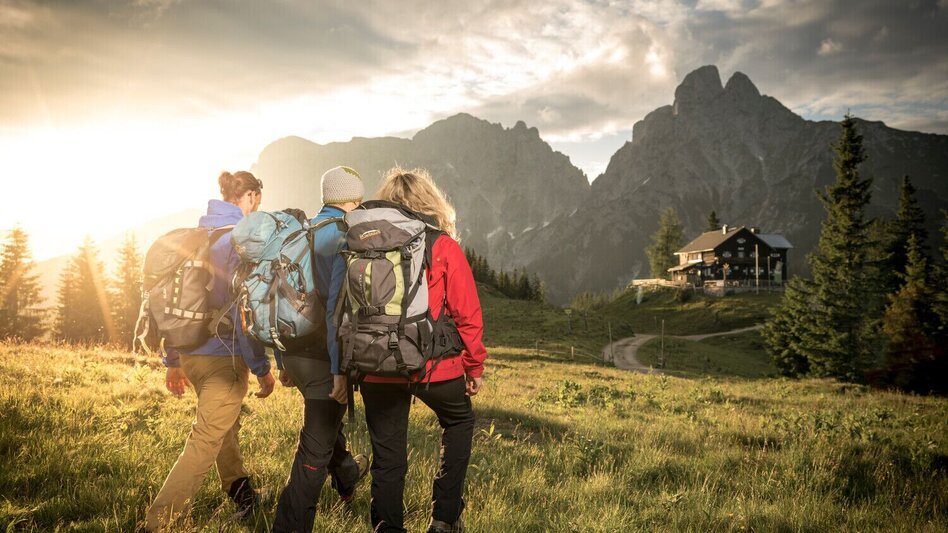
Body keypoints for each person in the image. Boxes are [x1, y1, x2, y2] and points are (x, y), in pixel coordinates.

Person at [145, 171, 276, 532]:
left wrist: (173, 361)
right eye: (256, 202)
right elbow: (243, 312)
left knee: (222, 426)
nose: (255, 210)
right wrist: (262, 367)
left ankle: (240, 490)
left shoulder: (195, 237)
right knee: (206, 436)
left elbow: (173, 302)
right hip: (224, 358)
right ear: (249, 196)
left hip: (191, 355)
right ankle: (160, 521)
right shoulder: (238, 242)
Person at [359, 167, 487, 533]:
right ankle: (444, 519)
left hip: (375, 363)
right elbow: (468, 315)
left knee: (387, 455)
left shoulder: (361, 244)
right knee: (459, 421)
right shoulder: (442, 245)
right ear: (430, 202)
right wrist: (473, 367)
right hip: (434, 366)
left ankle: (386, 526)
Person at [273, 166, 370, 533]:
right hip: (321, 360)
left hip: (293, 353)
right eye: (357, 201)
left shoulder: (300, 231)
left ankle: (346, 476)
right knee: (314, 451)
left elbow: (277, 297)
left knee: (327, 425)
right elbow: (336, 312)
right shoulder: (342, 237)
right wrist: (338, 371)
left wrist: (282, 359)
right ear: (349, 200)